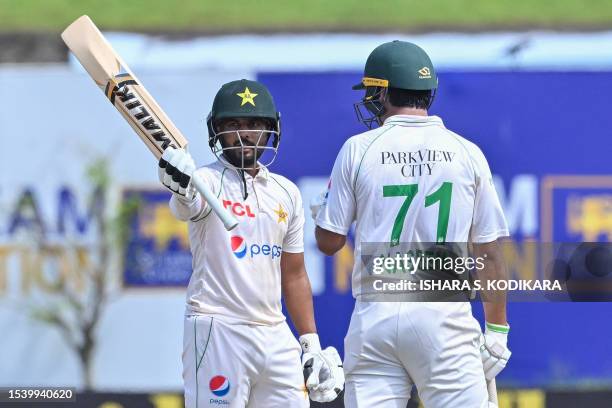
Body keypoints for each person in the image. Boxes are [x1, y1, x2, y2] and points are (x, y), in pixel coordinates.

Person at [312, 41, 511, 407]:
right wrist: (497, 330)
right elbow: (489, 253)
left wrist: (321, 214)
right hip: (445, 318)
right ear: (428, 92)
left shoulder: (359, 148)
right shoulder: (467, 152)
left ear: (382, 92)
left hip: (376, 317)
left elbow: (329, 242)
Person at [158, 79, 344, 407]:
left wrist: (310, 344)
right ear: (217, 131)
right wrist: (179, 184)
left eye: (255, 125)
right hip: (217, 327)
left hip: (274, 331)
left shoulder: (286, 192)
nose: (245, 134)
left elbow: (295, 274)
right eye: (234, 124)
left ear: (271, 130)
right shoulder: (205, 180)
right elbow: (185, 205)